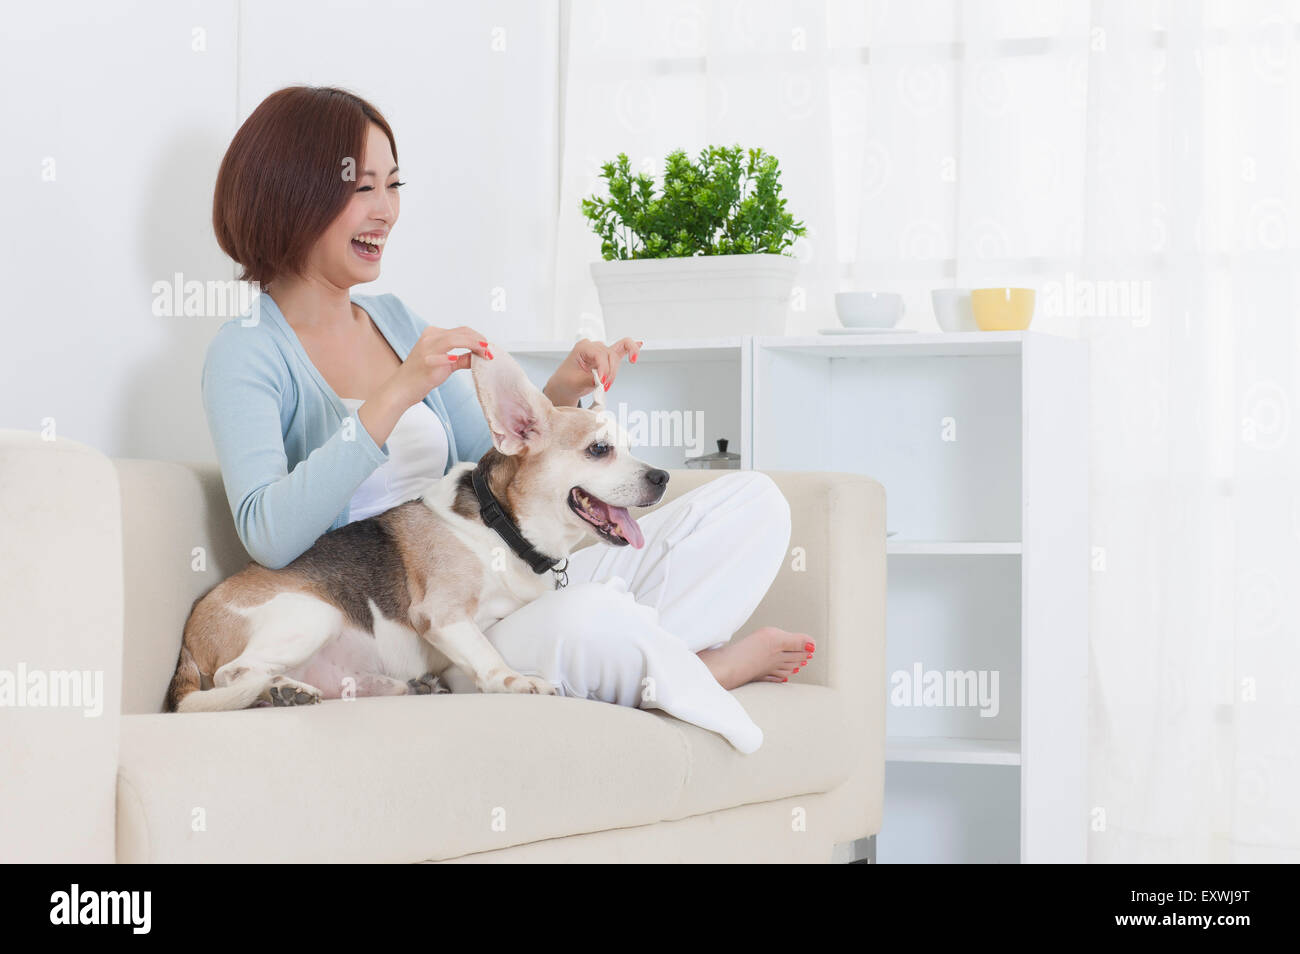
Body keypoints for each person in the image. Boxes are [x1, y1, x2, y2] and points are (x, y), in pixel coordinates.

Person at [204, 85, 814, 748]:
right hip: (439, 631)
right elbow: (268, 534)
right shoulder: (248, 349)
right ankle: (695, 667)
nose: (386, 211)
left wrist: (563, 395)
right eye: (362, 189)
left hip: (509, 574)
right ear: (292, 192)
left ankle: (651, 662)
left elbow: (494, 464)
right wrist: (395, 395)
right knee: (590, 618)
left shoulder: (395, 320)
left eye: (394, 185)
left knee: (756, 505)